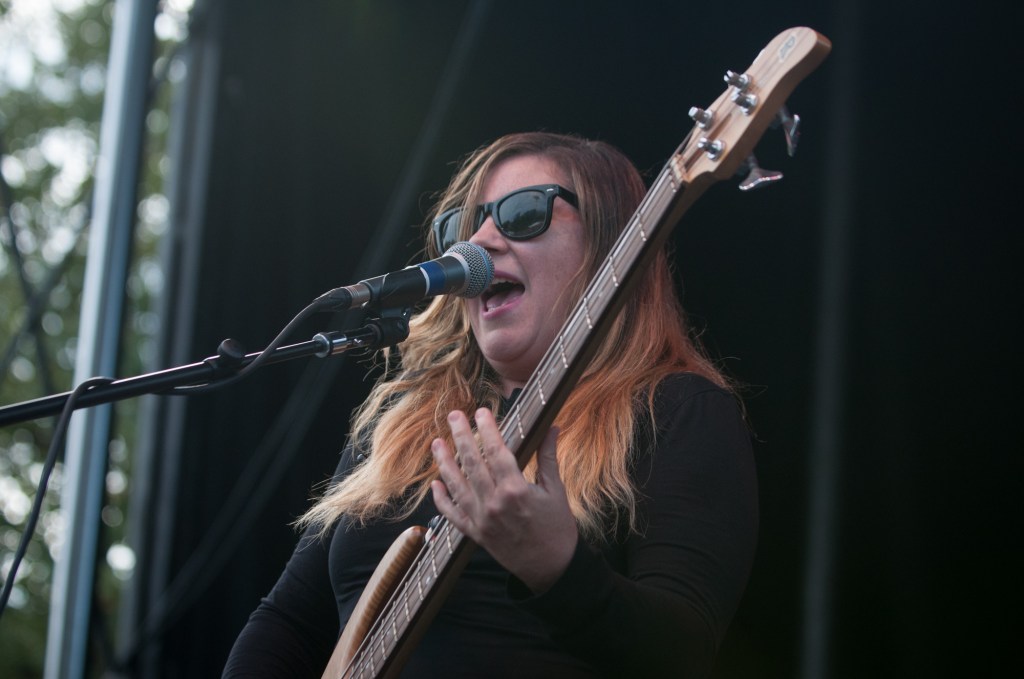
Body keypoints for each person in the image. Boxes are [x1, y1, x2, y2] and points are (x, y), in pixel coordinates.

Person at [223, 132, 758, 677]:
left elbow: (683, 654)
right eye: (461, 225)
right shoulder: (401, 427)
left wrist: (558, 569)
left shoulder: (675, 411)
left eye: (522, 213)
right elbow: (287, 623)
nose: (476, 243)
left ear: (612, 246)